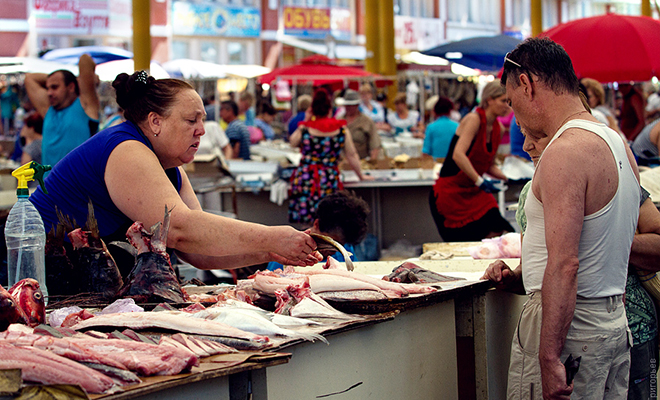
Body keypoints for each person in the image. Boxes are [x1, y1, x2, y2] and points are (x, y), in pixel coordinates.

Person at [29, 70, 320, 276]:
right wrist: (271, 237)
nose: (202, 130)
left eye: (202, 120)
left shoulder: (170, 166)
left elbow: (197, 250)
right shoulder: (126, 148)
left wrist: (274, 253)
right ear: (155, 122)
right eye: (191, 120)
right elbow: (180, 230)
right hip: (33, 274)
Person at [486, 37, 640, 400]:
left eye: (511, 101)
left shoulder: (565, 151)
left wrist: (549, 355)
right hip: (610, 321)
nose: (514, 113)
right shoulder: (617, 142)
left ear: (527, 84)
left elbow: (566, 263)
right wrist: (523, 274)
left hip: (572, 330)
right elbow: (597, 244)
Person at [429, 79, 514, 242]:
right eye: (503, 101)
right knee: (464, 244)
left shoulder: (499, 129)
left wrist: (509, 178)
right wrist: (480, 181)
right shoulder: (473, 119)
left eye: (509, 102)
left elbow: (489, 165)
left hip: (474, 192)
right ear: (489, 99)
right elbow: (458, 155)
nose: (507, 106)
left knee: (500, 230)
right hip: (450, 193)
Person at [288, 90, 373, 224]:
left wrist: (305, 120)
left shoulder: (305, 129)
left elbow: (293, 142)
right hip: (328, 178)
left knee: (307, 224)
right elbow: (352, 155)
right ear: (330, 109)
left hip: (306, 179)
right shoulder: (341, 130)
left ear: (312, 110)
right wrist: (361, 176)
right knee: (329, 221)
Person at [25, 54, 100, 167]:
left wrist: (75, 79)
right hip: (48, 184)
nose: (49, 93)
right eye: (48, 88)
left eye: (54, 87)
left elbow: (85, 60)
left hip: (78, 184)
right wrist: (56, 78)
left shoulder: (85, 106)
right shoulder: (48, 110)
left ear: (71, 87)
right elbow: (30, 78)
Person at [267, 190, 370, 271]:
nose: (333, 251)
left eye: (339, 246)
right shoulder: (288, 252)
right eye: (330, 242)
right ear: (316, 224)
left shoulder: (345, 250)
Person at [336, 89, 381, 160]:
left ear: (357, 105)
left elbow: (375, 145)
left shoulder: (367, 121)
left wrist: (372, 163)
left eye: (351, 105)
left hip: (361, 160)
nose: (348, 107)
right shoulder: (338, 120)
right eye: (347, 105)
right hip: (341, 161)